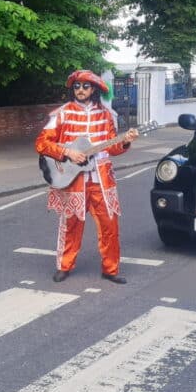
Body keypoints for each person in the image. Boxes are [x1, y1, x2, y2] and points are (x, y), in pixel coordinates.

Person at [35, 69, 138, 284]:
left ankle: (110, 269)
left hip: (102, 179)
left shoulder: (106, 115)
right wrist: (68, 152)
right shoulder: (61, 114)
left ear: (94, 90)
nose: (80, 90)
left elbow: (113, 147)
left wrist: (126, 140)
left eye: (85, 86)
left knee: (110, 225)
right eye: (77, 86)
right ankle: (65, 266)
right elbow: (42, 143)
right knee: (71, 225)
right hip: (73, 180)